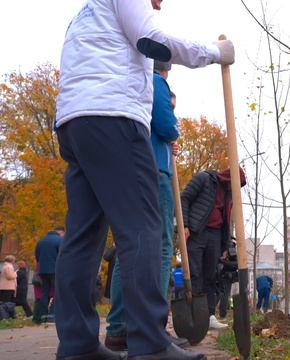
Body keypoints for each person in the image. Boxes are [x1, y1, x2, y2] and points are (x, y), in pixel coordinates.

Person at [53, 0, 235, 358]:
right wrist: (215, 53)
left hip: (76, 124)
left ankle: (77, 346)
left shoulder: (85, 14)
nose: (161, 2)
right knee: (144, 229)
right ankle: (149, 344)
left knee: (83, 238)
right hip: (114, 118)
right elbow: (151, 41)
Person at [105, 59, 187, 351]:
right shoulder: (156, 80)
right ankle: (154, 328)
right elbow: (165, 123)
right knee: (163, 244)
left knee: (130, 246)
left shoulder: (125, 81)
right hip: (155, 171)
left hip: (128, 168)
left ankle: (119, 328)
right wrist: (173, 131)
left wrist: (167, 140)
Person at [181, 168, 246, 330]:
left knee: (212, 276)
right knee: (195, 273)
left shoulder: (229, 195)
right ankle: (195, 314)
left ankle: (209, 316)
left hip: (215, 236)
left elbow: (227, 222)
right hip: (197, 232)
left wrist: (227, 246)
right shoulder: (204, 179)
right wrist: (184, 225)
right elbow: (184, 198)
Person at [35, 227, 63, 322]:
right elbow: (62, 255)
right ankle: (52, 314)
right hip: (55, 270)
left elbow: (37, 256)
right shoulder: (60, 240)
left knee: (44, 293)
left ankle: (43, 315)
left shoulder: (41, 242)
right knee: (57, 292)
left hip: (43, 271)